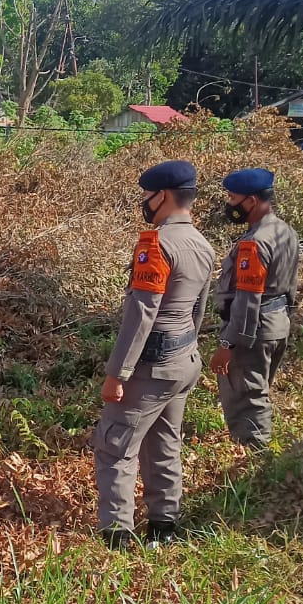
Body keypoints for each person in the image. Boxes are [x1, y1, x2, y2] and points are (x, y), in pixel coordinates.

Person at [92, 160, 215, 548]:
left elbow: (142, 314)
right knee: (164, 445)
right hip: (184, 361)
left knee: (115, 448)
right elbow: (199, 310)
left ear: (161, 196)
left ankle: (116, 537)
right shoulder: (203, 244)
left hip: (151, 366)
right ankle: (163, 528)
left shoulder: (156, 244)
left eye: (147, 195)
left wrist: (118, 374)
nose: (144, 201)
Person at [211, 168, 301, 448]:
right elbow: (292, 287)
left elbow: (248, 299)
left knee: (248, 397)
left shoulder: (254, 242)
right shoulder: (286, 231)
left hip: (254, 329)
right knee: (258, 391)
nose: (229, 203)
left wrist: (229, 344)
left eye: (233, 197)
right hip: (277, 323)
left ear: (251, 201)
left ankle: (253, 460)